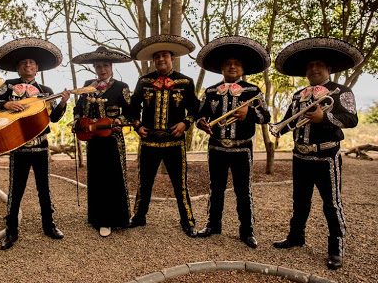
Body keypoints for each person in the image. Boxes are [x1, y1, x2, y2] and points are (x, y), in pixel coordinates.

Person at [271, 37, 362, 270]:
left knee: (331, 204)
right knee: (300, 202)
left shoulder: (341, 91)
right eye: (310, 66)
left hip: (326, 157)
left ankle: (336, 248)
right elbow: (290, 121)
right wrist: (279, 128)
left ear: (328, 68)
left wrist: (326, 118)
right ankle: (296, 236)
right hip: (300, 156)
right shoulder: (298, 94)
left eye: (318, 65)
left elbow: (351, 119)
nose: (313, 69)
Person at [0, 38, 70, 250]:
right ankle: (11, 231)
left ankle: (49, 225)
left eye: (31, 63)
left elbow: (55, 118)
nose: (28, 66)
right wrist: (6, 103)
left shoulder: (46, 90)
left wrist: (64, 102)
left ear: (37, 68)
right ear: (18, 68)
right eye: (24, 63)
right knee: (16, 190)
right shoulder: (8, 86)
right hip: (18, 147)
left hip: (41, 146)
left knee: (44, 188)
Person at [195, 36, 271, 248]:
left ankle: (247, 231)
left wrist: (249, 113)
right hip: (216, 147)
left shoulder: (253, 91)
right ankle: (213, 225)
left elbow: (266, 117)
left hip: (242, 149)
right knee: (216, 188)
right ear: (222, 68)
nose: (232, 66)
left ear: (242, 68)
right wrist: (201, 123)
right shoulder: (210, 91)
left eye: (236, 64)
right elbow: (199, 116)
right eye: (228, 64)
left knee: (243, 190)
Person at [129, 34, 199, 237]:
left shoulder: (186, 82)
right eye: (157, 56)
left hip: (175, 143)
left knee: (180, 184)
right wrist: (137, 125)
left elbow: (195, 109)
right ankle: (139, 217)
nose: (161, 59)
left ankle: (188, 221)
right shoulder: (143, 82)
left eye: (165, 56)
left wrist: (186, 123)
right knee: (145, 182)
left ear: (172, 58)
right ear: (153, 60)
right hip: (149, 142)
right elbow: (133, 109)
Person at [70, 46, 133, 237]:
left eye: (105, 65)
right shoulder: (87, 86)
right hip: (93, 140)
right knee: (96, 178)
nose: (102, 69)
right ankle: (99, 219)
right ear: (94, 68)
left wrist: (118, 122)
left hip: (113, 140)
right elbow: (78, 109)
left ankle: (118, 219)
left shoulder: (121, 87)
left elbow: (130, 112)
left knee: (114, 177)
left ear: (111, 66)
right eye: (98, 66)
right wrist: (76, 120)